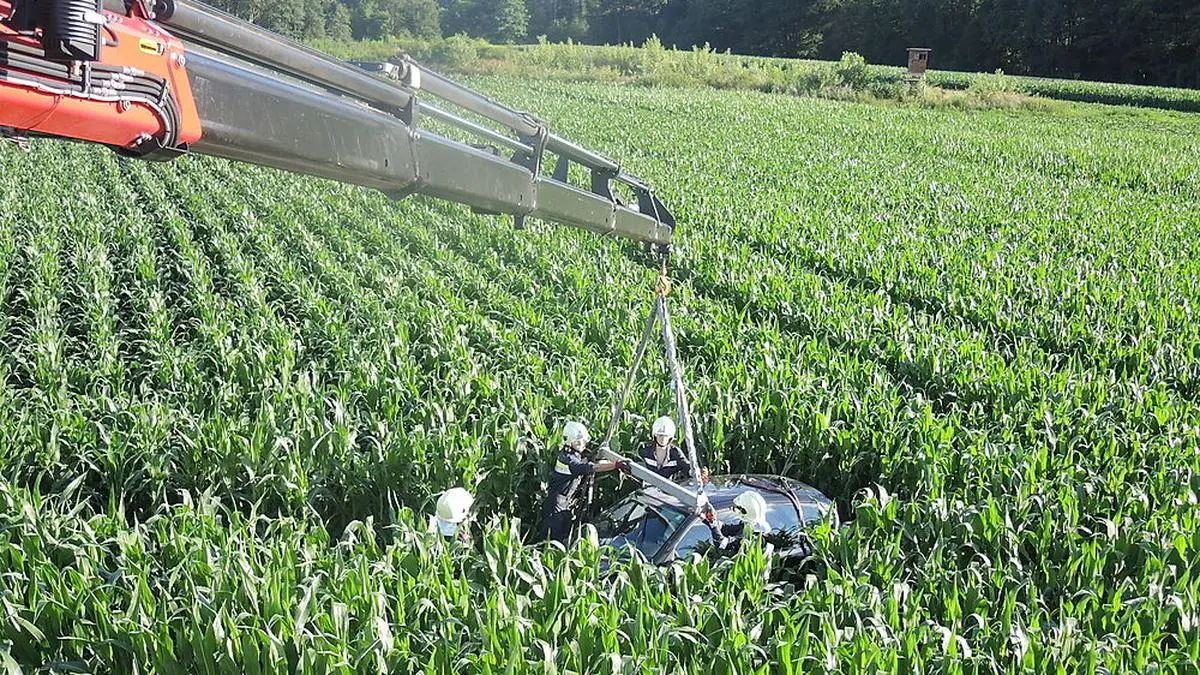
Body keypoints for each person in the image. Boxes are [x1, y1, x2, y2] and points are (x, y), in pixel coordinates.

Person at [540, 421, 629, 544]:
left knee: (564, 537)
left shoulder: (567, 454)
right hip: (557, 506)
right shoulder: (569, 460)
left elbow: (588, 463)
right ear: (573, 442)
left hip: (562, 502)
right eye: (580, 441)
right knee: (554, 541)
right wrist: (616, 465)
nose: (584, 444)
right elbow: (592, 467)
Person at [702, 490, 771, 552]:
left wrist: (713, 524)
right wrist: (708, 519)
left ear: (745, 511)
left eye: (737, 508)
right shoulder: (752, 524)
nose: (735, 510)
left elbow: (722, 544)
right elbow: (726, 529)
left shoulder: (753, 536)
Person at [638, 416, 693, 481]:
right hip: (648, 486)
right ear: (655, 435)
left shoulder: (675, 453)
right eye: (660, 435)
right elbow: (635, 467)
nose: (663, 439)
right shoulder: (645, 452)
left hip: (668, 486)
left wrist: (696, 473)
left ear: (670, 437)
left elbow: (686, 467)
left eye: (666, 436)